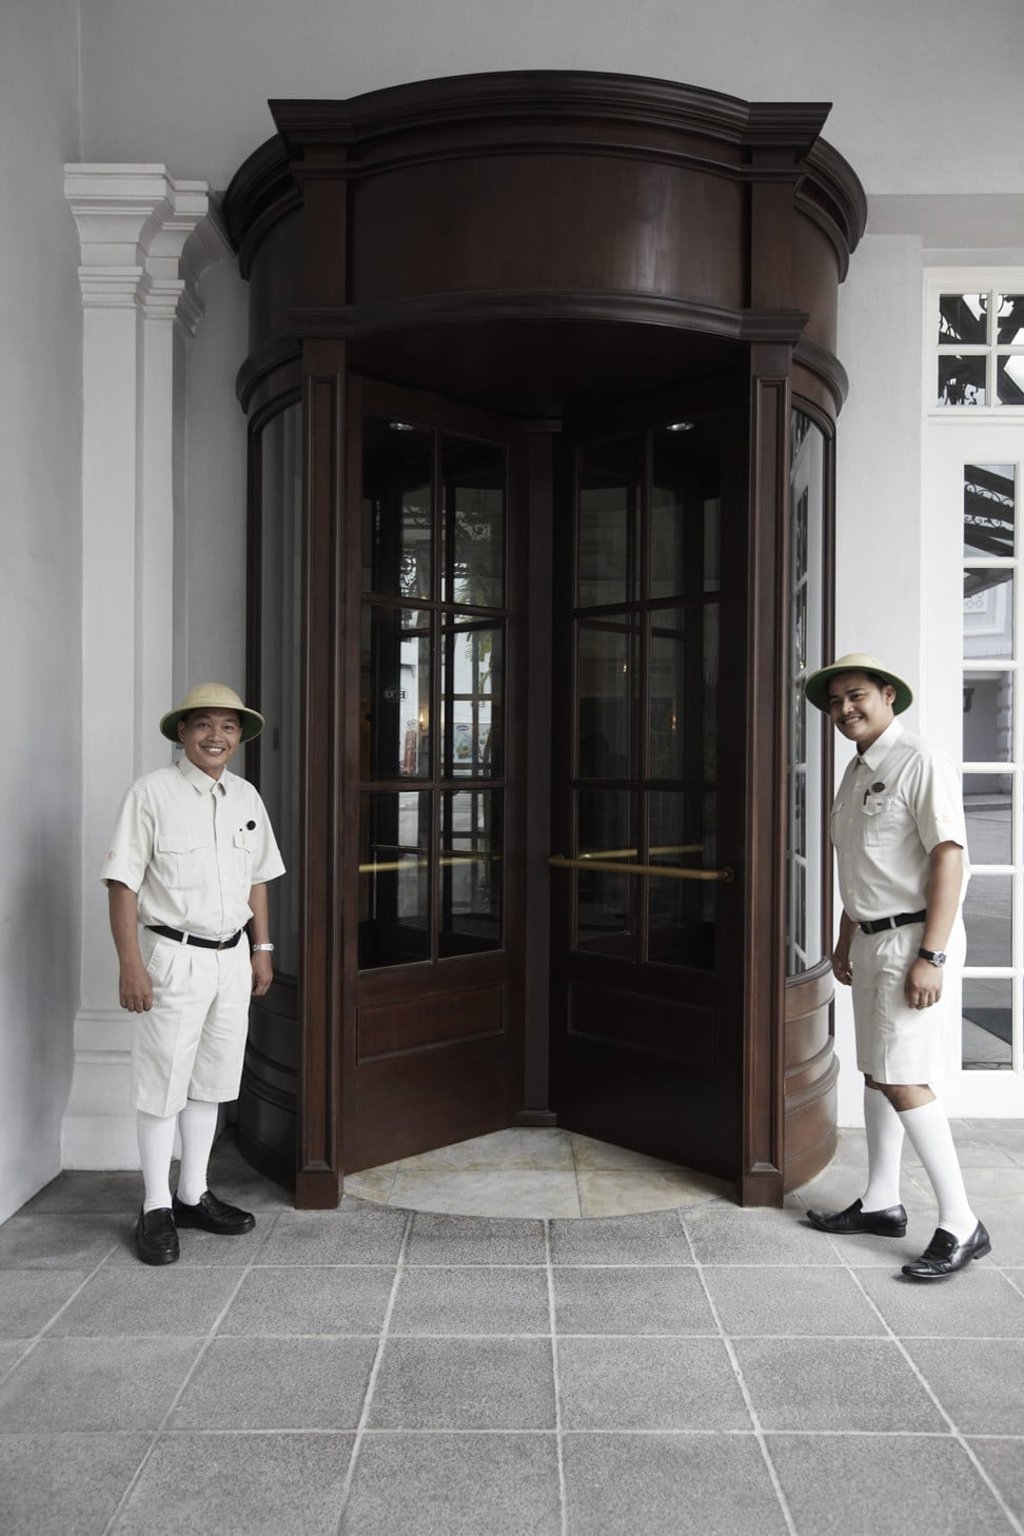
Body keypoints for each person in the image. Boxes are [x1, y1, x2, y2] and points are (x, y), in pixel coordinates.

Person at [803, 652, 989, 1281]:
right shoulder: (855, 772)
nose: (844, 710)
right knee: (878, 1072)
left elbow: (949, 859)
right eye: (834, 703)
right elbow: (862, 868)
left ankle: (962, 1222)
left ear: (887, 695)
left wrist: (932, 955)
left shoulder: (921, 761)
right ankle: (882, 1202)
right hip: (869, 940)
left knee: (905, 1077)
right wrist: (842, 937)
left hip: (914, 941)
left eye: (856, 696)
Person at [102, 683, 285, 1265]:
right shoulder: (150, 794)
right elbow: (122, 883)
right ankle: (154, 1204)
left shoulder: (246, 797)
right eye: (203, 725)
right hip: (171, 957)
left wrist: (262, 947)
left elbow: (258, 876)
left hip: (231, 957)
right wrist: (130, 962)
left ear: (239, 737)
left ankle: (192, 1194)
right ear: (182, 732)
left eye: (228, 727)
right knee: (163, 1084)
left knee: (211, 1080)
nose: (216, 737)